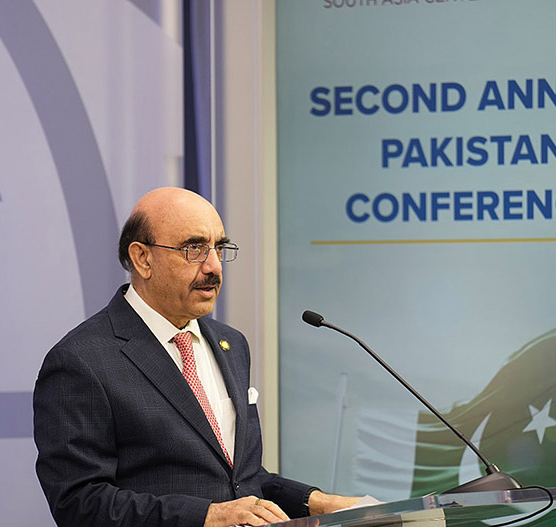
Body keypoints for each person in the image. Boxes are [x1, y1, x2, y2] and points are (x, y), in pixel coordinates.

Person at [33, 187, 359, 527]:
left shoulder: (230, 344)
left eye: (219, 247)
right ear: (143, 258)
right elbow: (79, 504)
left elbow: (239, 479)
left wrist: (314, 501)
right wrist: (205, 516)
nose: (214, 267)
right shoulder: (81, 361)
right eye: (194, 249)